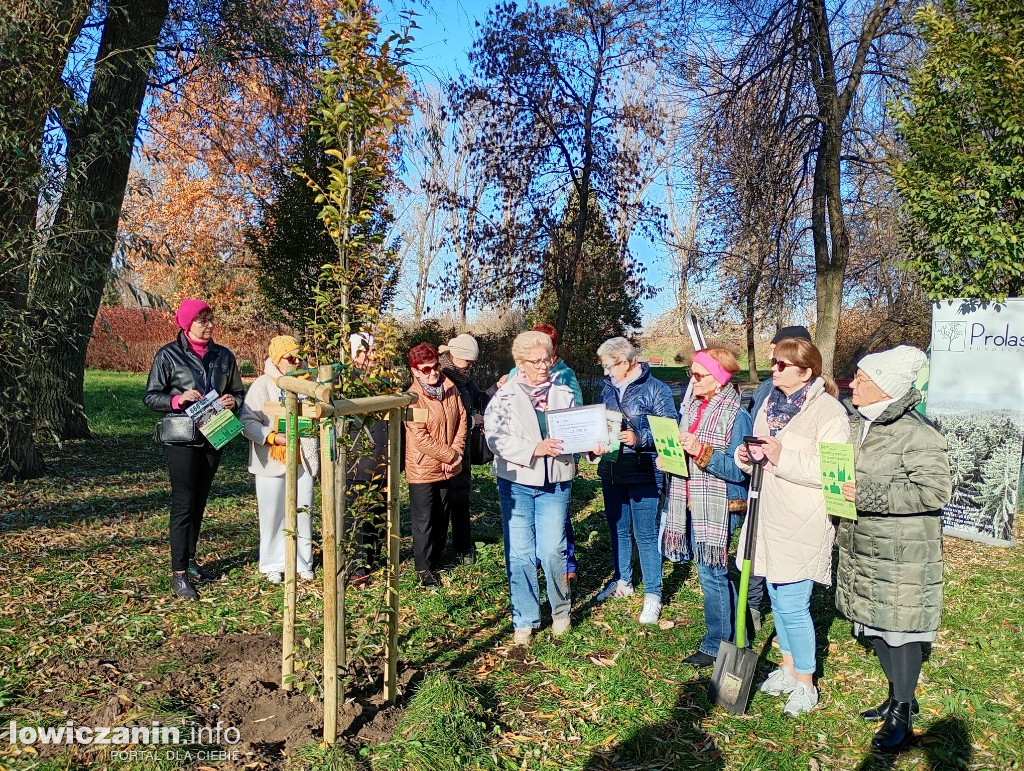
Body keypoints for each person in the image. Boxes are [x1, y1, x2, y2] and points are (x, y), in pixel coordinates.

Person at [835, 346, 951, 752]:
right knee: (877, 624)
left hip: (903, 553)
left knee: (900, 631)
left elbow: (934, 491)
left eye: (862, 379)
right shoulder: (856, 423)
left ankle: (903, 712)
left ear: (885, 386)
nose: (852, 383)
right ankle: (897, 694)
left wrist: (867, 494)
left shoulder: (916, 433)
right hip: (864, 544)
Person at [735, 336, 850, 716]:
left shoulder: (829, 413)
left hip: (804, 520)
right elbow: (761, 454)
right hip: (767, 516)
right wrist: (746, 456)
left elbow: (832, 474)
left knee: (792, 604)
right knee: (776, 596)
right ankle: (787, 668)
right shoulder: (769, 402)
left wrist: (782, 456)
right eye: (773, 362)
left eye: (782, 365)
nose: (774, 369)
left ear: (806, 371)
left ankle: (806, 683)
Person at [484, 331, 604, 645]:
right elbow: (494, 439)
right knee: (521, 554)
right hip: (517, 483)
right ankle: (524, 619)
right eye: (535, 362)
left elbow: (577, 434)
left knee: (553, 550)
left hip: (556, 483)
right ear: (519, 364)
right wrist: (534, 449)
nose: (542, 367)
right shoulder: (504, 397)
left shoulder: (564, 393)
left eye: (546, 360)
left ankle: (561, 610)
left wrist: (592, 448)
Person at [144, 299, 246, 600]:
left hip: (215, 434)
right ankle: (178, 573)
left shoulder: (224, 356)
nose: (208, 325)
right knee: (183, 502)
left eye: (210, 319)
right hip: (182, 438)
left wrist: (234, 402)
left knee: (199, 501)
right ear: (186, 324)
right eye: (201, 320)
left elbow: (238, 391)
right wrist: (177, 400)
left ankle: (191, 562)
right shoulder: (168, 355)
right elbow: (151, 397)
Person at [661, 349, 752, 666]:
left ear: (721, 378)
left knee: (712, 574)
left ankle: (718, 644)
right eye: (691, 374)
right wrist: (670, 457)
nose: (692, 380)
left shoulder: (737, 417)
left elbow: (739, 471)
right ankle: (737, 632)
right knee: (713, 573)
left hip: (719, 505)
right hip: (693, 501)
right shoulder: (693, 411)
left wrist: (701, 451)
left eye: (699, 375)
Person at [594, 337, 677, 624]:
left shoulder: (657, 389)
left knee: (645, 533)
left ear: (628, 362)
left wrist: (640, 438)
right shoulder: (605, 389)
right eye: (605, 366)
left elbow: (670, 429)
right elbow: (597, 423)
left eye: (611, 365)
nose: (607, 372)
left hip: (643, 469)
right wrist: (595, 443)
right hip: (612, 468)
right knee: (618, 529)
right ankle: (623, 582)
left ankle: (653, 593)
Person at [495, 323, 584, 579]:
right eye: (535, 357)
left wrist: (577, 452)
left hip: (556, 459)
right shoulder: (514, 375)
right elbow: (501, 426)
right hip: (522, 466)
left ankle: (565, 565)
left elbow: (576, 417)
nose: (543, 363)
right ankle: (532, 565)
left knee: (557, 522)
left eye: (547, 354)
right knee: (524, 529)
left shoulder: (565, 377)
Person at [745, 325, 813, 629]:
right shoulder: (766, 393)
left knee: (790, 592)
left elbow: (823, 465)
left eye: (779, 354)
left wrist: (781, 457)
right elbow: (754, 432)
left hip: (798, 501)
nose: (773, 358)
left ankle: (797, 659)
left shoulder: (822, 405)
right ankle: (754, 604)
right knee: (758, 546)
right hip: (763, 486)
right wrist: (746, 455)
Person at [240, 336, 320, 584]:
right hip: (271, 459)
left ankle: (302, 561)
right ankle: (273, 563)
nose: (296, 362)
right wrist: (272, 437)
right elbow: (247, 420)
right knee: (272, 512)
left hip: (303, 457)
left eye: (299, 357)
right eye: (290, 358)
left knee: (303, 510)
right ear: (277, 359)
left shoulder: (310, 384)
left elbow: (322, 413)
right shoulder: (262, 385)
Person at [405, 342, 468, 587]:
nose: (432, 373)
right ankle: (423, 569)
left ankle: (437, 560)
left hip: (448, 464)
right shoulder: (412, 398)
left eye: (435, 367)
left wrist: (456, 451)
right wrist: (450, 455)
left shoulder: (450, 387)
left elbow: (462, 418)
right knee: (424, 519)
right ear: (415, 371)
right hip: (423, 467)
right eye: (425, 369)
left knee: (443, 513)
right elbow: (419, 437)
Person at [438, 333, 489, 566]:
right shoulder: (439, 377)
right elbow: (440, 416)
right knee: (441, 500)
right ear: (456, 356)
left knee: (462, 496)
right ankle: (436, 551)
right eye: (468, 360)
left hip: (463, 448)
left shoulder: (464, 377)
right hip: (441, 449)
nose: (471, 365)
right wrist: (470, 420)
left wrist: (499, 387)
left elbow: (480, 397)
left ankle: (463, 545)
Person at [348, 332, 390, 587]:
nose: (368, 358)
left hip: (381, 459)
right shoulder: (345, 380)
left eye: (371, 352)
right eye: (362, 353)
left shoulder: (384, 380)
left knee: (378, 510)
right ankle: (357, 564)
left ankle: (373, 557)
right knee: (357, 513)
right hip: (356, 459)